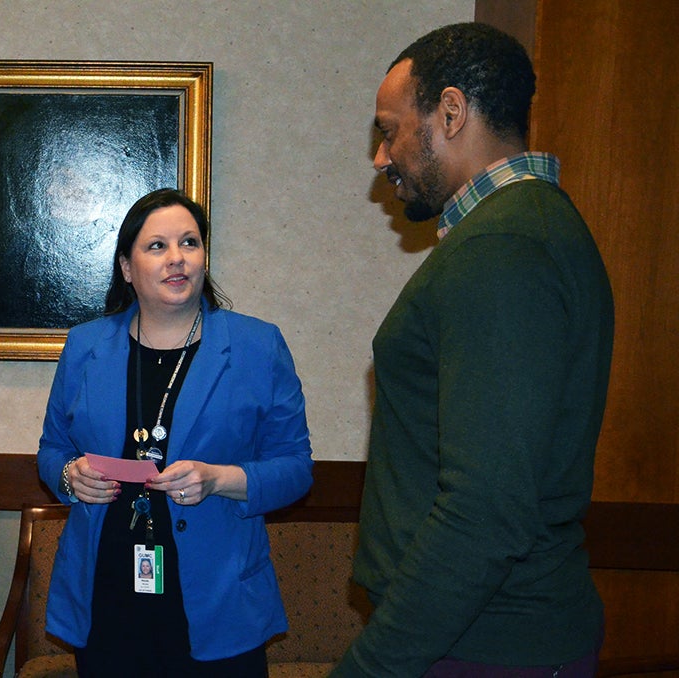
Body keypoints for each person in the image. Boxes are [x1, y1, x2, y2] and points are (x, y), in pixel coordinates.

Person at [331, 23, 614, 677]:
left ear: (451, 113)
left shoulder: (503, 249)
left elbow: (485, 509)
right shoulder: (525, 230)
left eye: (390, 128)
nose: (381, 157)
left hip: (480, 646)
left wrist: (371, 666)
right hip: (475, 638)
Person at [37, 188, 314, 677]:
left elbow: (294, 469)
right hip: (108, 594)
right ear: (127, 267)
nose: (176, 259)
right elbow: (52, 449)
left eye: (189, 242)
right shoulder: (84, 346)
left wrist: (219, 479)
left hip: (219, 600)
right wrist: (68, 476)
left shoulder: (257, 346)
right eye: (156, 246)